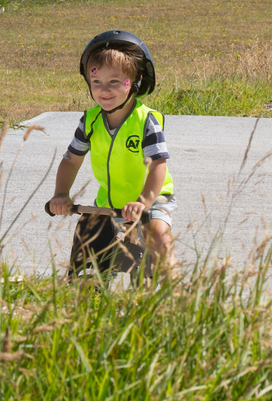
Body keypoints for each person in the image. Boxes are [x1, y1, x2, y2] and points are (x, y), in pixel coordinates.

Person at [48, 30, 177, 281]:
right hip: (108, 201)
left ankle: (176, 292)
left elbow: (158, 165)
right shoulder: (90, 121)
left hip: (152, 197)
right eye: (97, 82)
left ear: (136, 81)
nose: (104, 90)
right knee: (88, 240)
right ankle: (88, 289)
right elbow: (71, 160)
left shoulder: (146, 121)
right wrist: (61, 193)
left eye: (115, 82)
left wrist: (144, 202)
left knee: (158, 235)